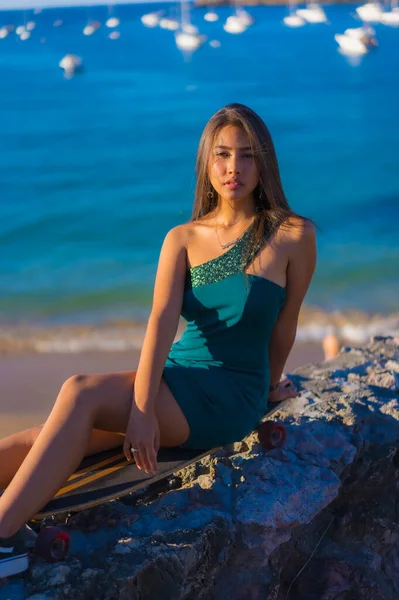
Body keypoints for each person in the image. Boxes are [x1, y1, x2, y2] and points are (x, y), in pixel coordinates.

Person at [0, 103, 316, 577]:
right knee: (51, 435)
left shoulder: (293, 234)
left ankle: (4, 539)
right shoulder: (182, 238)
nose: (234, 168)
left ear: (264, 161)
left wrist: (271, 387)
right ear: (206, 163)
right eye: (223, 155)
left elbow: (285, 324)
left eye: (247, 155)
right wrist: (144, 409)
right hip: (177, 377)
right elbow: (161, 324)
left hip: (230, 395)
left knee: (80, 392)